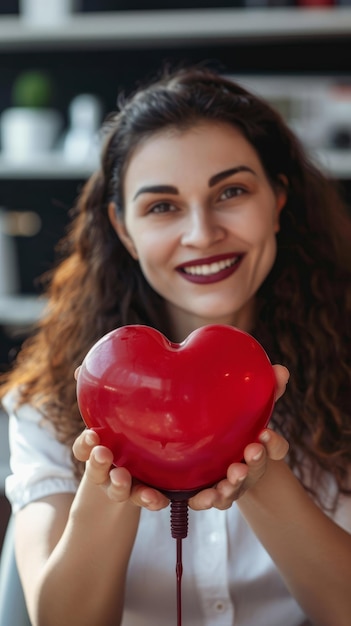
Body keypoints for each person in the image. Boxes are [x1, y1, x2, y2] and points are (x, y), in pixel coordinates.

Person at [0, 64, 351, 626]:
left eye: (231, 191)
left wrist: (264, 480)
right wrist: (111, 480)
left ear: (279, 200)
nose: (201, 233)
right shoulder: (48, 402)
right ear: (122, 229)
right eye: (162, 206)